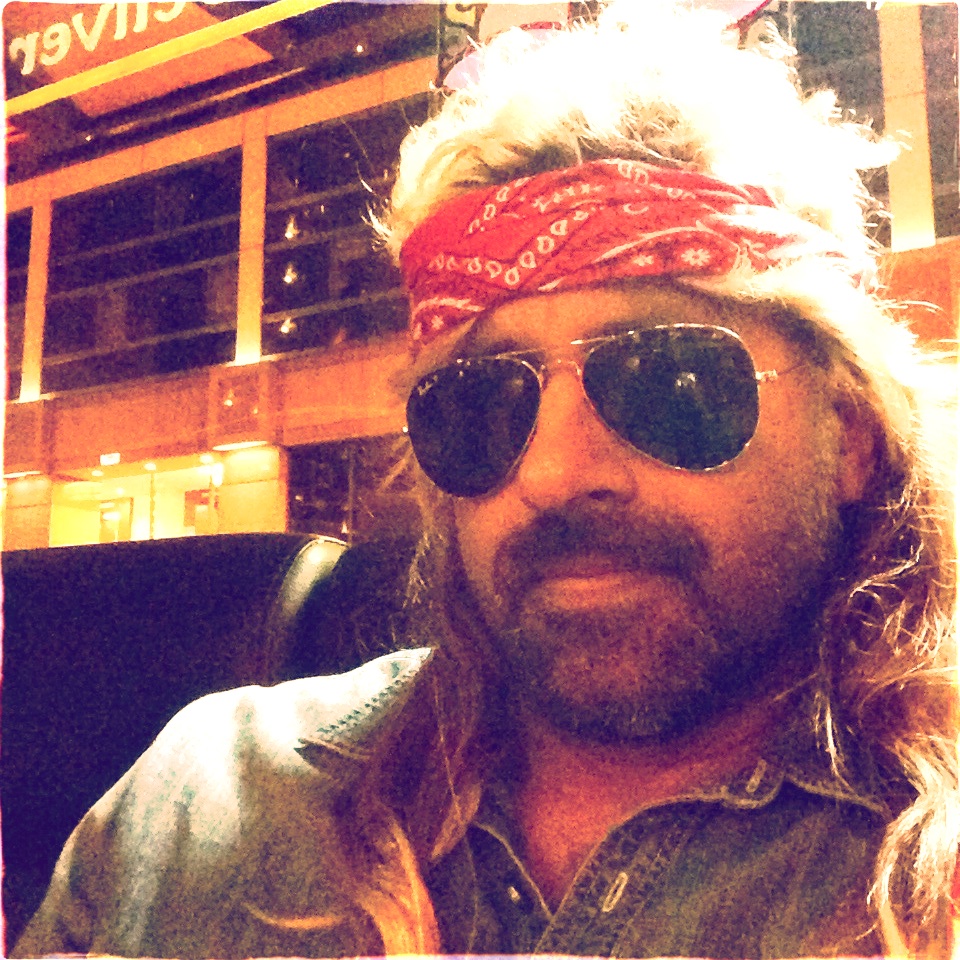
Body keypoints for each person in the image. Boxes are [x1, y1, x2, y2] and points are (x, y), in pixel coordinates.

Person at [15, 3, 958, 958]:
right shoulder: (203, 799)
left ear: (850, 434)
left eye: (670, 379)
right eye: (481, 404)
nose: (554, 472)